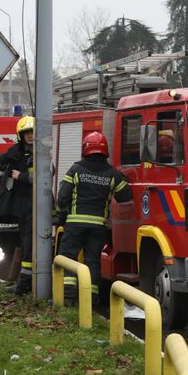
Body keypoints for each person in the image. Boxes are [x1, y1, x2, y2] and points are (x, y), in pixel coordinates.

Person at [56, 131, 132, 305]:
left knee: (68, 258)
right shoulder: (112, 174)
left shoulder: (76, 169)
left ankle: (68, 297)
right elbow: (124, 197)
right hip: (97, 226)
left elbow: (62, 197)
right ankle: (91, 298)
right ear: (105, 151)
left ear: (85, 149)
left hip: (75, 224)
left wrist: (61, 212)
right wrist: (123, 178)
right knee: (93, 261)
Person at [0, 116, 34, 295]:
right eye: (27, 133)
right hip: (22, 207)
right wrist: (6, 157)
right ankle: (23, 283)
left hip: (35, 207)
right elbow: (0, 162)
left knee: (29, 247)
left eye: (33, 132)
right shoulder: (19, 152)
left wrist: (22, 177)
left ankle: (25, 286)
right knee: (24, 244)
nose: (30, 136)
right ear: (21, 135)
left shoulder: (41, 154)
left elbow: (44, 177)